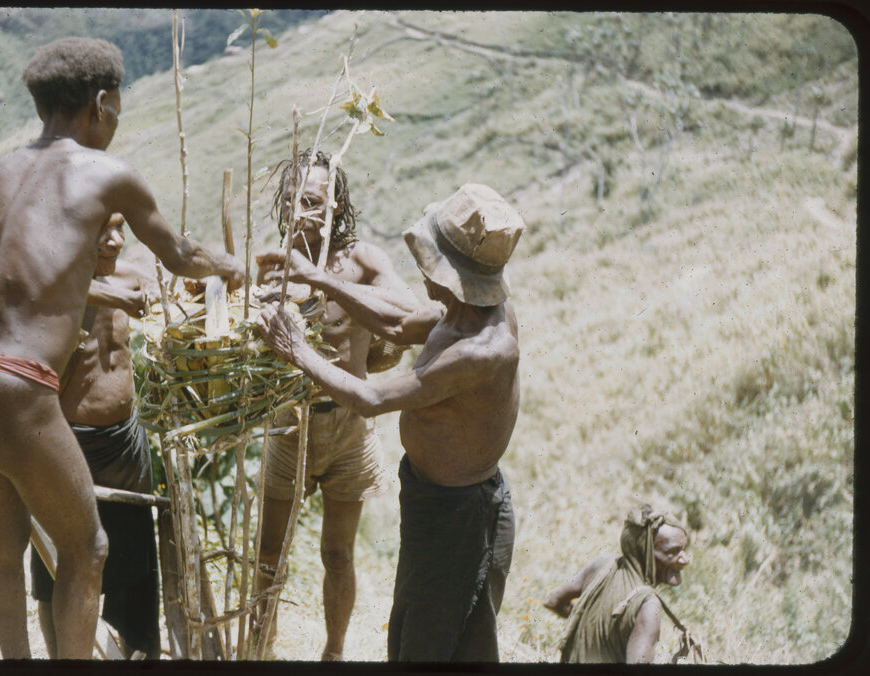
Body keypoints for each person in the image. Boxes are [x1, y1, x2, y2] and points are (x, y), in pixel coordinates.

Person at [0, 37, 244, 659]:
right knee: (89, 549)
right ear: (101, 103)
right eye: (119, 107)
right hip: (17, 390)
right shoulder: (106, 173)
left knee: (6, 537)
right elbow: (182, 258)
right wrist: (232, 267)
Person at [256, 182, 525, 661]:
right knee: (423, 629)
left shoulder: (483, 348)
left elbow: (369, 398)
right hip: (434, 501)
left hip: (459, 513)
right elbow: (398, 326)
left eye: (430, 264)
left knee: (431, 642)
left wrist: (296, 349)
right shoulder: (461, 312)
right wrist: (320, 281)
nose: (423, 273)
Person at [252, 148, 419, 661]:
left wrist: (333, 284)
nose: (301, 211)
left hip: (350, 428)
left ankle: (334, 653)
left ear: (336, 201)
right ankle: (260, 646)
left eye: (312, 201)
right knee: (268, 554)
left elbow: (412, 310)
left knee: (337, 553)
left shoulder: (362, 259)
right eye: (293, 199)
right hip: (289, 426)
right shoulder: (272, 264)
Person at [29, 214, 161, 659]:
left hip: (124, 443)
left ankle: (133, 654)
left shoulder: (130, 281)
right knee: (58, 560)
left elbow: (171, 294)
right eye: (100, 229)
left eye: (120, 227)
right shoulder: (57, 289)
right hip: (68, 443)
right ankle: (60, 658)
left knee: (134, 560)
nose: (115, 240)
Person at [543, 504, 692, 663]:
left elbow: (552, 600)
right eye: (673, 552)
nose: (685, 559)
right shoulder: (648, 605)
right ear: (646, 552)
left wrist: (590, 625)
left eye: (683, 550)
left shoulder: (603, 564)